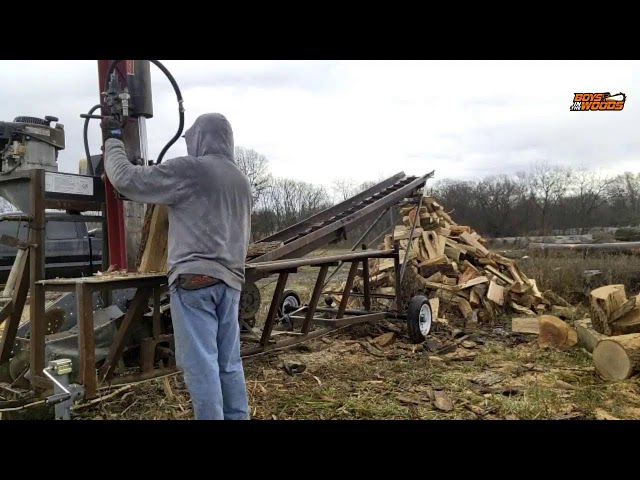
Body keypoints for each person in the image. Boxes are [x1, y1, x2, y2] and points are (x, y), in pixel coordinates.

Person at [101, 112, 252, 420]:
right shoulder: (240, 179)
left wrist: (113, 142)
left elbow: (128, 180)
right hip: (232, 282)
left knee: (202, 366)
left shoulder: (192, 170)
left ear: (199, 139)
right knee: (229, 363)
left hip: (195, 281)